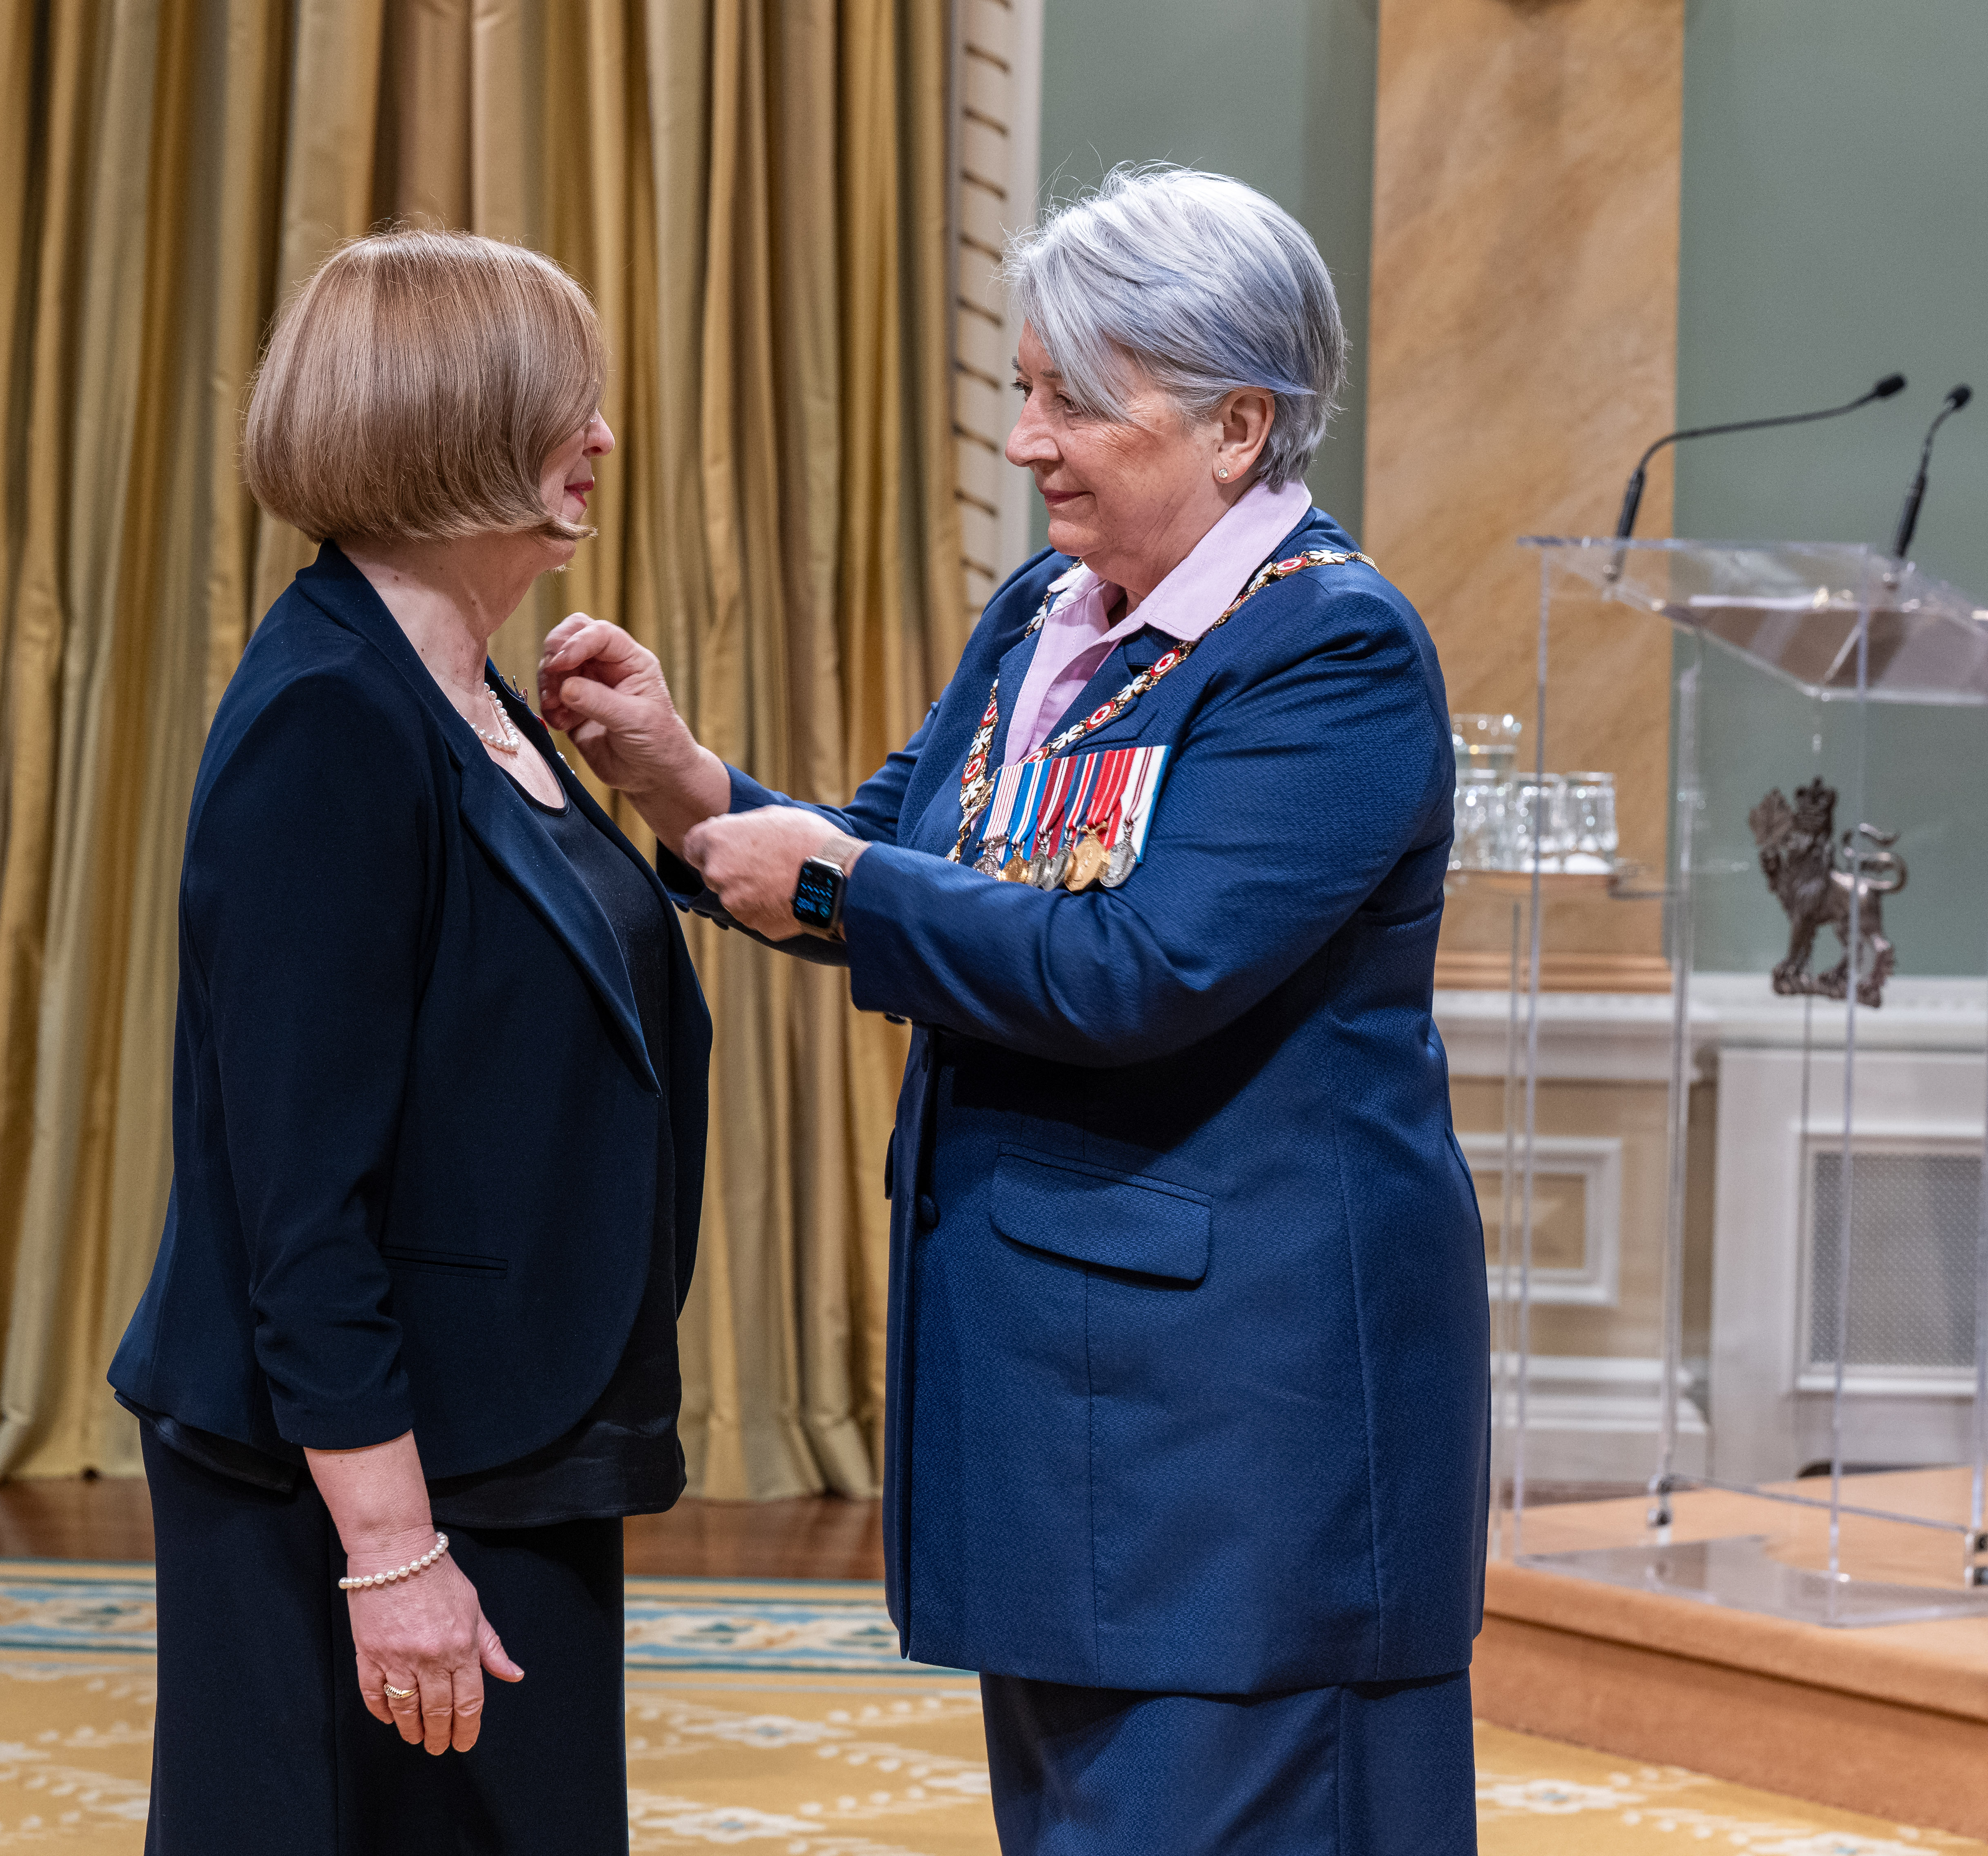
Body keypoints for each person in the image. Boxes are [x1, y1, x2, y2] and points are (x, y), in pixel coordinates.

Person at [539, 167, 1489, 1854]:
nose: (1025, 440)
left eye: (1072, 401)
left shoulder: (1329, 655)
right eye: (1022, 389)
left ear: (1236, 427)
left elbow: (1142, 967)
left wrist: (828, 879)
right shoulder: (1043, 618)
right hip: (1066, 1409)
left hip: (1234, 1450)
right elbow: (911, 855)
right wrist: (690, 790)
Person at [108, 230, 710, 1854]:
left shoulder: (474, 692)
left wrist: (675, 777)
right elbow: (296, 1192)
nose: (599, 440)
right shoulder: (332, 716)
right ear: (453, 427)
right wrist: (388, 1551)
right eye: (563, 408)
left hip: (510, 1440)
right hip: (373, 1482)